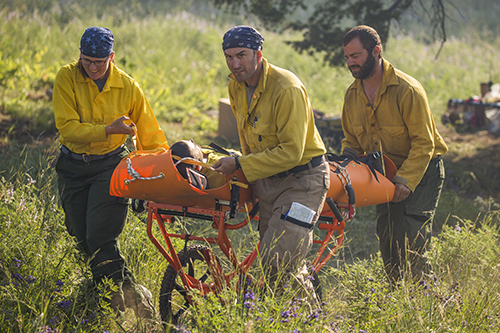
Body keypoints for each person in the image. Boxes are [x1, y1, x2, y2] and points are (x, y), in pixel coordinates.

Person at [52, 26, 169, 317]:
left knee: (100, 237)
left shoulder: (128, 87)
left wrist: (162, 177)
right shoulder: (66, 77)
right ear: (80, 56)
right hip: (72, 167)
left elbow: (151, 137)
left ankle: (115, 306)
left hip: (110, 168)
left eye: (99, 62)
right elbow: (67, 128)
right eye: (86, 60)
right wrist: (108, 129)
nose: (92, 67)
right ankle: (131, 294)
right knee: (81, 238)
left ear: (112, 58)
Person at [212, 26, 330, 299]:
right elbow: (247, 136)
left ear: (258, 54)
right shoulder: (235, 85)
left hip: (303, 182)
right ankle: (310, 319)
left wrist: (240, 164)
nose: (235, 63)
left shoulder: (286, 88)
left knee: (276, 259)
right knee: (282, 265)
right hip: (268, 180)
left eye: (241, 55)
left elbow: (291, 152)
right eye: (229, 57)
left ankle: (286, 320)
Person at [340, 25, 448, 282]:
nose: (350, 63)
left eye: (356, 56)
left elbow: (425, 143)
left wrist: (404, 181)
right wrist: (345, 169)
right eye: (347, 57)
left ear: (376, 51)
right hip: (383, 175)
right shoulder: (352, 94)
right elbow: (352, 141)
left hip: (421, 170)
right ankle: (396, 298)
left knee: (414, 241)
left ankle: (425, 301)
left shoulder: (407, 89)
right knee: (388, 238)